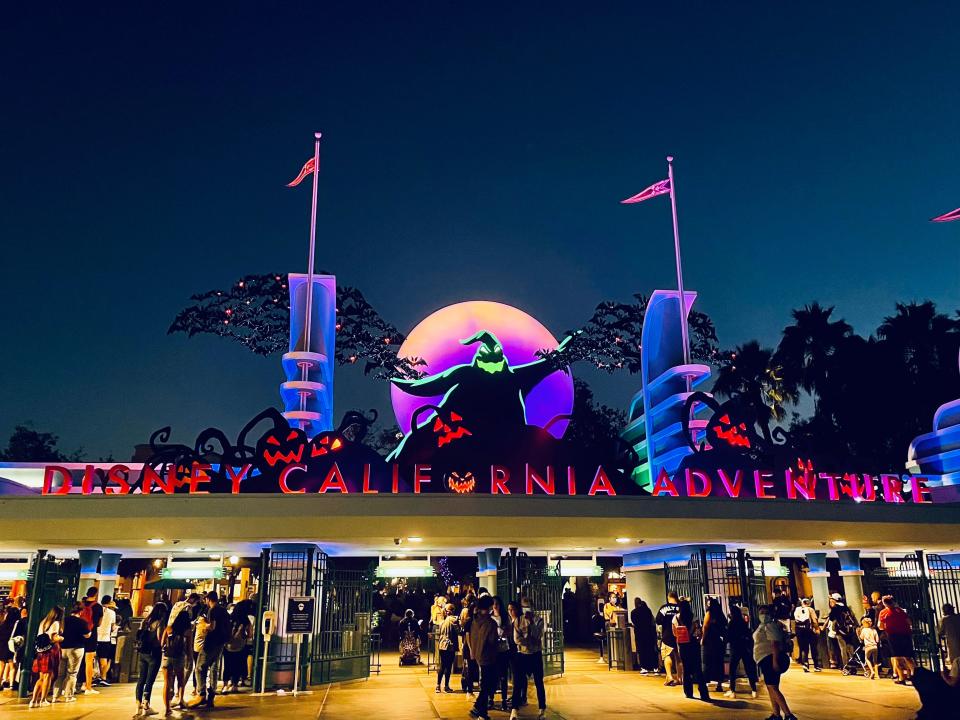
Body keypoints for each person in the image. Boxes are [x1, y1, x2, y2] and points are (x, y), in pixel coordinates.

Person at [753, 604, 797, 720]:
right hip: (764, 659)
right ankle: (776, 714)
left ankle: (788, 714)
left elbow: (775, 644)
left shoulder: (771, 626)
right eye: (761, 612)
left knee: (773, 688)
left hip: (770, 658)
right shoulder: (763, 626)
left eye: (766, 612)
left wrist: (775, 661)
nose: (763, 615)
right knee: (771, 687)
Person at [191, 592, 230, 708]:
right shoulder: (223, 610)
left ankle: (201, 693)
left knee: (199, 667)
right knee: (214, 667)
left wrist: (202, 625)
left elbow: (212, 626)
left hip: (211, 642)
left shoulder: (212, 610)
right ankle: (211, 695)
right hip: (221, 643)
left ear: (208, 599)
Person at [511, 597, 546, 720]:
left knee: (539, 682)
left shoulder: (539, 620)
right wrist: (529, 640)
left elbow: (538, 635)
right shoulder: (518, 621)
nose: (526, 609)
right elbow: (517, 639)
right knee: (518, 683)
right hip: (522, 655)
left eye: (528, 606)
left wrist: (531, 624)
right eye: (524, 606)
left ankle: (542, 709)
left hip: (535, 654)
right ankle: (514, 709)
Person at [467, 595, 499, 720]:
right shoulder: (490, 623)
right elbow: (492, 641)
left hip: (478, 655)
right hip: (489, 656)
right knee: (488, 685)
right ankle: (478, 709)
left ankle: (481, 711)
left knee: (486, 684)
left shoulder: (475, 620)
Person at [135, 601, 168, 717]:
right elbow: (160, 639)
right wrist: (164, 645)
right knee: (150, 680)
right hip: (154, 654)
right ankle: (146, 704)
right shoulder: (159, 623)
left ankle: (137, 705)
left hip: (143, 652)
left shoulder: (145, 621)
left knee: (141, 679)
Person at [52, 603, 89, 704]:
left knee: (60, 674)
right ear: (81, 611)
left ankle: (55, 696)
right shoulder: (82, 622)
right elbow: (87, 635)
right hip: (76, 649)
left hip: (63, 648)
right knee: (72, 673)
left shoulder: (64, 621)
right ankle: (68, 696)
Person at [673, 599, 708, 701]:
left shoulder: (675, 618)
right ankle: (703, 693)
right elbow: (698, 632)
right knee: (698, 668)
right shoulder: (694, 617)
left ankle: (688, 692)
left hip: (683, 645)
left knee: (686, 669)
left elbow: (674, 633)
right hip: (693, 645)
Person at [30, 605, 63, 708]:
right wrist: (61, 638)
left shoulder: (43, 622)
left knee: (41, 677)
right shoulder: (56, 623)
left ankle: (33, 700)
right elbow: (53, 638)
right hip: (51, 651)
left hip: (41, 652)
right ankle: (43, 700)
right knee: (48, 677)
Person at [878, 595, 915, 684]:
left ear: (884, 603)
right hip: (905, 635)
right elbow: (909, 622)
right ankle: (915, 675)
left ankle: (901, 678)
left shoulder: (883, 612)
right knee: (908, 657)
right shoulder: (901, 611)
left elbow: (880, 626)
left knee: (897, 657)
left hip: (893, 636)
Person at [162, 608, 191, 715]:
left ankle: (167, 708)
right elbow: (188, 648)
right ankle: (181, 700)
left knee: (167, 683)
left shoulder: (169, 628)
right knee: (180, 680)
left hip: (167, 657)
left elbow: (162, 644)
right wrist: (189, 659)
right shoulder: (187, 631)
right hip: (179, 657)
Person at [725, 603, 758, 698]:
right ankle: (754, 689)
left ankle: (732, 690)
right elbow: (749, 634)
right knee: (749, 668)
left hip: (735, 648)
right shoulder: (743, 622)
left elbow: (728, 636)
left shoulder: (731, 623)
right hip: (744, 648)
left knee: (732, 670)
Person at [78, 586, 103, 695]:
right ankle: (87, 686)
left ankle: (76, 683)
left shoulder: (81, 605)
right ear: (96, 594)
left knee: (78, 659)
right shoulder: (98, 607)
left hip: (79, 634)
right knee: (89, 661)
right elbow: (99, 623)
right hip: (91, 634)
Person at [222, 606, 252, 693]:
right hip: (240, 646)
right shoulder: (246, 620)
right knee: (237, 666)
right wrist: (244, 637)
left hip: (228, 646)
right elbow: (250, 634)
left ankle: (225, 686)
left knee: (227, 666)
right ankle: (234, 686)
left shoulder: (229, 618)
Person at [701, 596, 727, 693]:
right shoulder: (721, 614)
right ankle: (719, 684)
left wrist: (703, 639)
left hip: (710, 640)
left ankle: (705, 684)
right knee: (719, 663)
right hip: (719, 641)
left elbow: (705, 626)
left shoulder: (709, 613)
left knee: (706, 662)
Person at [491, 596, 512, 711]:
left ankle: (504, 699)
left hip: (503, 649)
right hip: (493, 650)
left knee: (503, 676)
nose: (495, 606)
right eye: (493, 604)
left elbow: (510, 629)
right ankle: (491, 699)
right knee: (493, 676)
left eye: (497, 604)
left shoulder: (505, 617)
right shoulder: (490, 617)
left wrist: (504, 632)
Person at [655, 592, 681, 686]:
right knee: (679, 658)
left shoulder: (664, 608)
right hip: (680, 635)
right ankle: (680, 678)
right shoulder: (680, 607)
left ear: (668, 597)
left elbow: (658, 620)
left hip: (667, 635)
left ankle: (669, 676)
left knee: (667, 655)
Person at [827, 593, 858, 670]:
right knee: (850, 647)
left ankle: (845, 665)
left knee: (843, 649)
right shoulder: (846, 607)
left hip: (840, 631)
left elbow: (831, 619)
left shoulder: (835, 608)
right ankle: (853, 663)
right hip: (849, 630)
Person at [506, 602, 526, 709]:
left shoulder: (520, 621)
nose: (510, 612)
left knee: (519, 675)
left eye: (512, 609)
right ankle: (517, 696)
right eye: (509, 609)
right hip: (512, 650)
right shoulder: (511, 620)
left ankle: (521, 697)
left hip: (519, 651)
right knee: (516, 675)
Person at [630, 597, 658, 674]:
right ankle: (654, 667)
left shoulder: (633, 612)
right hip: (649, 633)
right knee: (650, 649)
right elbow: (652, 621)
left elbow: (634, 622)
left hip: (639, 634)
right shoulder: (648, 611)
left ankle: (644, 667)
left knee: (642, 650)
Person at [793, 598, 821, 672]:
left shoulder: (797, 610)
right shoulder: (810, 609)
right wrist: (817, 629)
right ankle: (816, 666)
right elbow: (814, 620)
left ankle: (805, 664)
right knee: (813, 648)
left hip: (800, 631)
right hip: (810, 631)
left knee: (804, 649)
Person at [434, 603, 457, 693]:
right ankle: (446, 686)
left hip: (442, 645)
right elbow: (458, 631)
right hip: (450, 646)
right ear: (453, 611)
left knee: (442, 666)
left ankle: (438, 686)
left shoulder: (442, 622)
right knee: (448, 666)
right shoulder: (453, 620)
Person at [95, 595, 117, 686]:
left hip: (95, 637)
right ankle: (103, 677)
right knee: (103, 659)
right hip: (105, 638)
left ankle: (93, 677)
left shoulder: (97, 610)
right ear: (110, 602)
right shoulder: (112, 613)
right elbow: (113, 626)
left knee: (92, 659)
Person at [0, 602, 19, 691]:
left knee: (2, 665)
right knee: (12, 665)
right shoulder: (15, 626)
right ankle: (11, 684)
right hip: (11, 646)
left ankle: (0, 682)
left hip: (2, 645)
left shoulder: (3, 624)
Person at [938, 603, 960, 679]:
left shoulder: (944, 619)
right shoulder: (958, 617)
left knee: (955, 664)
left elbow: (940, 632)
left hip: (953, 644)